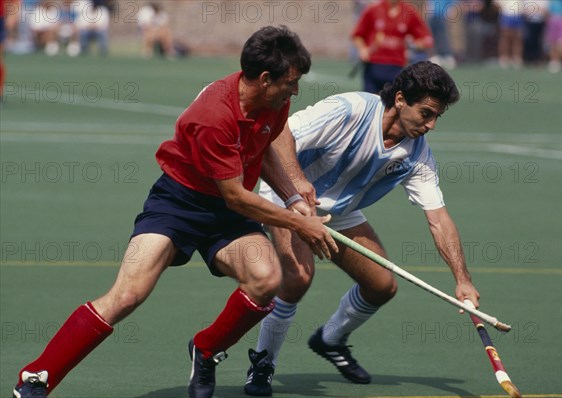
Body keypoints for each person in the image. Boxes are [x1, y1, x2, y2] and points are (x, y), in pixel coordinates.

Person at [12, 25, 338, 398]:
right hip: (179, 204)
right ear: (265, 79)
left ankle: (206, 349)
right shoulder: (214, 114)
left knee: (265, 281)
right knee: (128, 295)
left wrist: (294, 197)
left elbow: (262, 149)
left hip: (228, 215)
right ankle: (37, 376)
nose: (295, 90)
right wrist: (301, 224)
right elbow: (235, 196)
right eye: (291, 83)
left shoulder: (273, 102)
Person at [243, 61, 481, 397]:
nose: (431, 125)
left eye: (436, 117)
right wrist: (297, 188)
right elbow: (282, 133)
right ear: (400, 99)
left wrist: (462, 279)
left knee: (381, 286)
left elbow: (439, 219)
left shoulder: (417, 156)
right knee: (297, 278)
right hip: (287, 196)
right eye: (426, 113)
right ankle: (263, 363)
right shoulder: (349, 110)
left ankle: (330, 339)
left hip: (339, 211)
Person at [351, 0, 433, 93]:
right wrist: (363, 49)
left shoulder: (409, 12)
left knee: (393, 103)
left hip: (396, 68)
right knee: (370, 103)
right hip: (373, 65)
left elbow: (426, 39)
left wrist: (415, 45)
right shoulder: (373, 9)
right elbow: (357, 35)